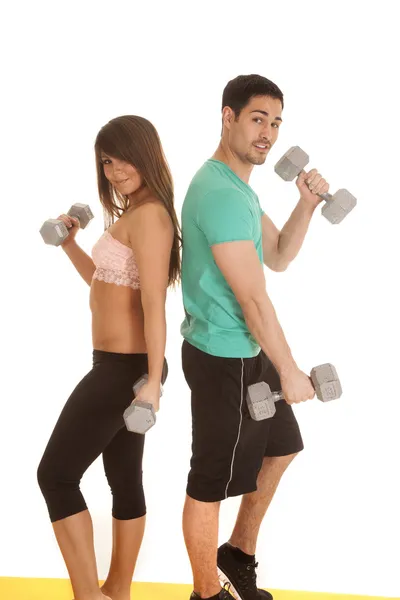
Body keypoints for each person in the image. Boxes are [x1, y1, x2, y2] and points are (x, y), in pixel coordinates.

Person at [180, 75, 330, 600]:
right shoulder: (218, 194)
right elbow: (253, 299)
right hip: (223, 357)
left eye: (276, 122)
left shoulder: (239, 188)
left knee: (283, 447)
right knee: (210, 482)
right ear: (228, 117)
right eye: (257, 118)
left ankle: (237, 554)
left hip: (249, 350)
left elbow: (281, 256)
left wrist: (306, 205)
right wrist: (289, 369)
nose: (268, 132)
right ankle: (206, 594)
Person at [37, 115, 181, 600]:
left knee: (55, 475)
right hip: (118, 365)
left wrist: (154, 383)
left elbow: (154, 303)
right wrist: (70, 245)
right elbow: (105, 283)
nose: (115, 169)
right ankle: (116, 591)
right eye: (106, 161)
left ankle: (88, 596)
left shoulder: (152, 216)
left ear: (146, 153)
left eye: (122, 157)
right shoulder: (133, 213)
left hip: (128, 370)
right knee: (123, 478)